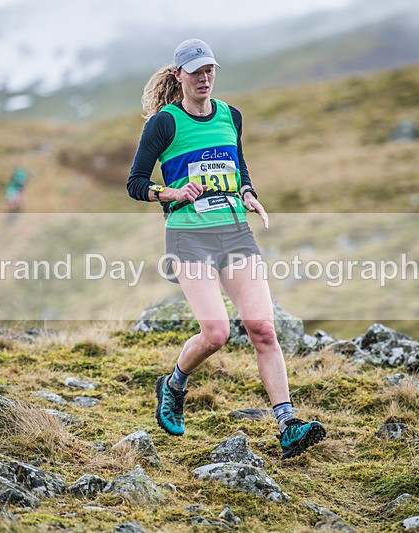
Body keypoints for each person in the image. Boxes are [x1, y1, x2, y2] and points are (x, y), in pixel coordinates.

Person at [126, 39, 326, 459]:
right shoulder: (164, 123)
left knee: (263, 329)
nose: (204, 78)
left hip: (236, 232)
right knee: (216, 333)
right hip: (188, 238)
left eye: (210, 70)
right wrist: (173, 192)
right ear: (179, 75)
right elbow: (136, 184)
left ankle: (288, 424)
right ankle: (174, 383)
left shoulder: (231, 116)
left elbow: (239, 165)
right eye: (196, 71)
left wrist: (249, 192)